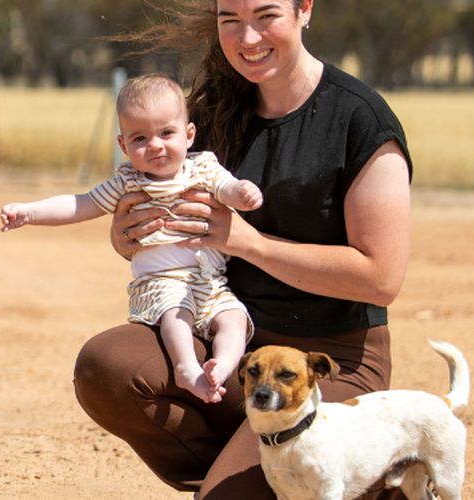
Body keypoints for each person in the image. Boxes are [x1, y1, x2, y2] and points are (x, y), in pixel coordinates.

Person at [72, 0, 413, 499]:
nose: (247, 38)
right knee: (107, 366)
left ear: (304, 10)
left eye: (266, 16)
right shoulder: (207, 115)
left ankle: (355, 477)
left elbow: (381, 277)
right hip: (233, 343)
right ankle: (257, 472)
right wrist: (128, 235)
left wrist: (248, 242)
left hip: (325, 362)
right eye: (230, 19)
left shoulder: (359, 120)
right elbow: (169, 215)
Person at [0, 74, 263, 404]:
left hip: (211, 283)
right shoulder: (128, 183)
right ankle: (186, 369)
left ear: (189, 134)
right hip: (161, 283)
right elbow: (81, 204)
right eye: (140, 138)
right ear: (123, 146)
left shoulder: (205, 169)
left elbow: (228, 188)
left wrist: (243, 192)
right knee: (175, 314)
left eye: (167, 133)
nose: (155, 145)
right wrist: (28, 212)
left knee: (234, 319)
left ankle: (221, 368)